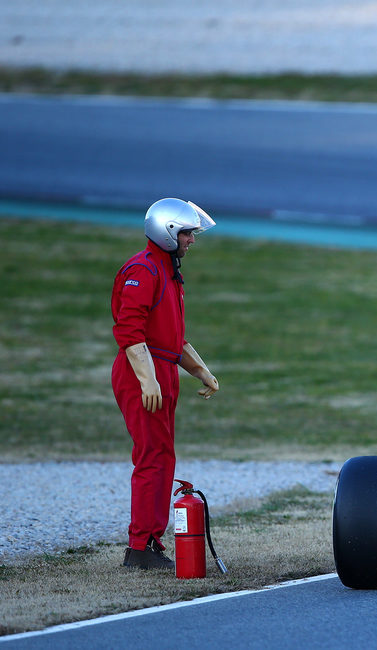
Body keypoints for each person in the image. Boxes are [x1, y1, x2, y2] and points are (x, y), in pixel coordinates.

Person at [111, 198, 220, 570]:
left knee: (162, 457)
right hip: (144, 372)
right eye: (188, 233)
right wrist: (147, 379)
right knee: (151, 458)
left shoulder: (168, 272)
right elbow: (130, 332)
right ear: (169, 232)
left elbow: (173, 338)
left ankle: (150, 542)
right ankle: (140, 547)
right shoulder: (143, 270)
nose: (192, 239)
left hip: (161, 369)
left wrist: (201, 370)